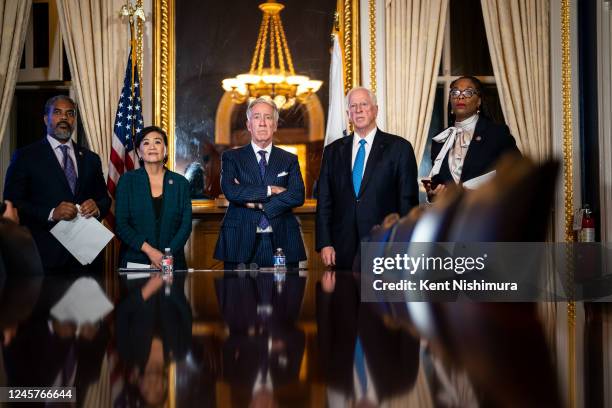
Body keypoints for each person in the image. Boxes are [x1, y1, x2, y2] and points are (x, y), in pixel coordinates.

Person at [3, 95, 111, 274]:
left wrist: (97, 207)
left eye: (70, 114)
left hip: (86, 259)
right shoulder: (25, 157)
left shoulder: (91, 158)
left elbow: (104, 199)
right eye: (58, 113)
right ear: (46, 119)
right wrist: (52, 213)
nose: (64, 118)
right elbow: (12, 204)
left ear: (74, 120)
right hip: (44, 259)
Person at [316, 87, 419, 269]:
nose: (358, 110)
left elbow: (407, 202)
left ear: (375, 110)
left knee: (380, 297)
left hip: (385, 244)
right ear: (348, 114)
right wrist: (325, 243)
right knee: (342, 297)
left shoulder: (399, 148)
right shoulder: (332, 151)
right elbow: (325, 201)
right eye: (353, 106)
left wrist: (403, 244)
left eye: (364, 104)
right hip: (341, 247)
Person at [214, 97, 307, 270]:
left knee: (287, 295)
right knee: (237, 293)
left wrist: (258, 204)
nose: (262, 123)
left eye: (268, 117)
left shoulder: (289, 159)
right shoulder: (231, 157)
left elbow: (297, 195)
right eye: (257, 117)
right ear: (249, 125)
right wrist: (271, 190)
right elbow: (232, 191)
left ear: (275, 125)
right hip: (239, 240)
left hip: (283, 239)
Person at [426, 76, 520, 200]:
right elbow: (439, 185)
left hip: (487, 214)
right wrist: (433, 195)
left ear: (479, 101)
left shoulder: (497, 133)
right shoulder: (440, 140)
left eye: (468, 92)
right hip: (453, 217)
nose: (460, 96)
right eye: (455, 92)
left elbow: (519, 174)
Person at [115, 126, 192, 271]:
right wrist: (151, 252)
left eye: (157, 142)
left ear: (166, 149)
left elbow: (185, 225)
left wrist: (165, 256)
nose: (152, 147)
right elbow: (121, 225)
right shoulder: (127, 181)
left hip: (172, 262)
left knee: (172, 294)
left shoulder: (181, 183)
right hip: (136, 261)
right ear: (139, 152)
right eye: (145, 143)